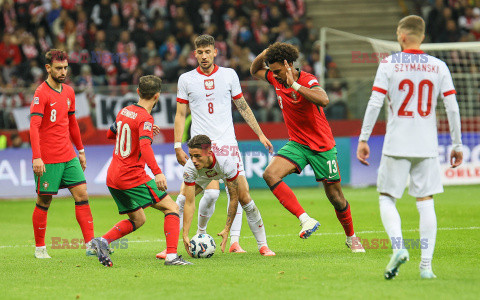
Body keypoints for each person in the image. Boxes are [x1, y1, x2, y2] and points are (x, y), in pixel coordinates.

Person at [357, 15, 463, 279]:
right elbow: (451, 106)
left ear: (401, 36)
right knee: (426, 202)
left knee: (387, 198)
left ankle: (399, 247)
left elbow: (374, 103)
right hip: (427, 145)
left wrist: (363, 138)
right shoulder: (438, 66)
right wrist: (457, 144)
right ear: (422, 37)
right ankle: (426, 268)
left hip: (397, 143)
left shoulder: (389, 64)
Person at [156, 34, 273, 259]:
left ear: (215, 52)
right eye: (199, 52)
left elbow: (243, 106)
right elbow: (180, 114)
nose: (203, 56)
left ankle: (258, 244)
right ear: (194, 54)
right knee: (183, 197)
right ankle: (172, 246)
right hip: (201, 148)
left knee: (242, 195)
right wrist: (177, 145)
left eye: (207, 51)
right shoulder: (186, 79)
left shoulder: (229, 75)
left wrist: (260, 134)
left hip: (228, 146)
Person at [250, 42, 365, 252]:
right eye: (272, 71)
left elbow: (324, 99)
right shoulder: (276, 79)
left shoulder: (307, 79)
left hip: (322, 145)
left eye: (277, 71)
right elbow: (254, 69)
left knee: (336, 198)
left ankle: (352, 237)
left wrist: (294, 85)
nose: (274, 76)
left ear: (288, 64)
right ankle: (305, 219)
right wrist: (266, 52)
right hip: (298, 144)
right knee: (270, 174)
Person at [90, 75, 192, 267]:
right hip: (131, 175)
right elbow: (145, 147)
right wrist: (158, 172)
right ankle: (171, 257)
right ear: (157, 96)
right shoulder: (145, 117)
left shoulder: (124, 111)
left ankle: (102, 241)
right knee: (172, 208)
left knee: (138, 218)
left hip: (112, 176)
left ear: (138, 92)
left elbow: (110, 133)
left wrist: (138, 130)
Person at [30, 49, 94, 259]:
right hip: (48, 158)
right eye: (59, 68)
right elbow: (34, 126)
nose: (63, 71)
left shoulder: (68, 92)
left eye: (65, 67)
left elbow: (72, 123)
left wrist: (81, 150)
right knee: (44, 200)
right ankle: (40, 248)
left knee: (82, 193)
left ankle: (91, 245)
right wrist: (37, 157)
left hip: (68, 155)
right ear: (48, 68)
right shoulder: (41, 93)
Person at [182, 135, 275, 256]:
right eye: (191, 156)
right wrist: (185, 234)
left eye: (197, 156)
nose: (193, 160)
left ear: (209, 153)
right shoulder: (190, 167)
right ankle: (171, 247)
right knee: (181, 199)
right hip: (204, 172)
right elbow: (189, 203)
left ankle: (263, 245)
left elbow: (233, 198)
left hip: (227, 165)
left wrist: (227, 229)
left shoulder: (225, 161)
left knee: (245, 199)